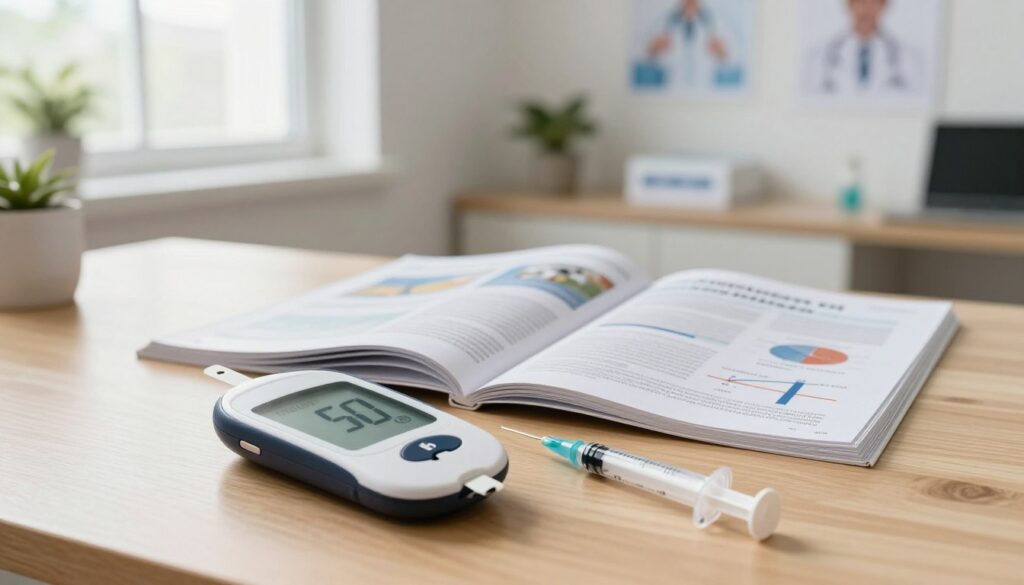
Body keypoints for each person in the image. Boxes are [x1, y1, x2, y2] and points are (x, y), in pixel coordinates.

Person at [804, 0, 923, 97]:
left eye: (874, 3)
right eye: (860, 2)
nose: (866, 10)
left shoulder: (909, 57)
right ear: (849, 5)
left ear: (884, 6)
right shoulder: (819, 57)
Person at [643, 0, 741, 91]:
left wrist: (722, 52)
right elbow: (642, 54)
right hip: (671, 87)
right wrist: (653, 49)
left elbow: (735, 56)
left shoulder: (716, 20)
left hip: (705, 88)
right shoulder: (666, 20)